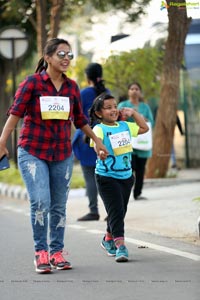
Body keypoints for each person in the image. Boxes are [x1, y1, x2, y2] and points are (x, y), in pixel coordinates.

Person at [0, 38, 108, 274]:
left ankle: (57, 252)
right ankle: (41, 252)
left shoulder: (71, 87)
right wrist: (1, 142)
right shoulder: (32, 83)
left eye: (69, 55)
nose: (66, 58)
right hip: (32, 151)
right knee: (41, 201)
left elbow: (80, 120)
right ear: (48, 57)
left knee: (58, 206)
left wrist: (97, 140)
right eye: (61, 54)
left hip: (61, 153)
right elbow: (15, 113)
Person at [89, 93, 149, 262]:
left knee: (119, 211)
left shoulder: (125, 125)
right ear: (99, 113)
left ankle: (108, 238)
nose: (113, 110)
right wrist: (100, 152)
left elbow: (145, 128)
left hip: (127, 176)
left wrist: (133, 113)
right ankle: (120, 246)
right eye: (108, 108)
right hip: (106, 177)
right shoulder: (99, 128)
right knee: (116, 210)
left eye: (115, 106)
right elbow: (97, 144)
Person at [72, 63, 108, 221]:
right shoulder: (107, 93)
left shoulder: (85, 92)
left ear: (87, 77)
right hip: (105, 138)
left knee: (90, 175)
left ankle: (93, 210)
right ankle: (111, 211)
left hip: (87, 138)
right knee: (106, 177)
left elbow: (76, 116)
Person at [118, 82, 154, 200]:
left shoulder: (145, 107)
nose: (134, 91)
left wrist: (142, 118)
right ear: (128, 91)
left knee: (141, 170)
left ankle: (137, 193)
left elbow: (151, 122)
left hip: (142, 142)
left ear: (140, 92)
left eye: (137, 89)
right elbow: (116, 120)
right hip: (128, 142)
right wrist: (128, 115)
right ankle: (125, 193)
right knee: (129, 170)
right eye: (132, 88)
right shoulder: (123, 105)